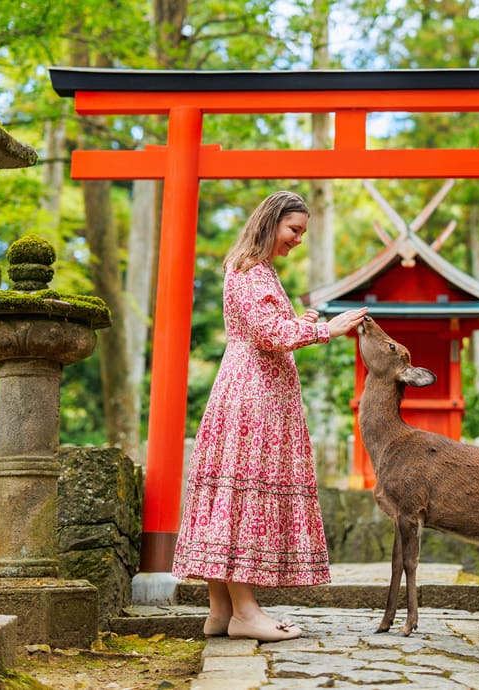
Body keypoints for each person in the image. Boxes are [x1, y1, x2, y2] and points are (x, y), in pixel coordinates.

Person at [171, 190, 368, 642]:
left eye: (302, 232)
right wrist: (325, 330)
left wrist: (301, 321)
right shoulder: (251, 270)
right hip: (253, 394)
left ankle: (220, 610)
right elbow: (267, 333)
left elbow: (270, 327)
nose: (298, 239)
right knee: (243, 497)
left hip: (251, 389)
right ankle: (245, 611)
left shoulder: (252, 270)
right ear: (271, 222)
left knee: (232, 494)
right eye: (294, 230)